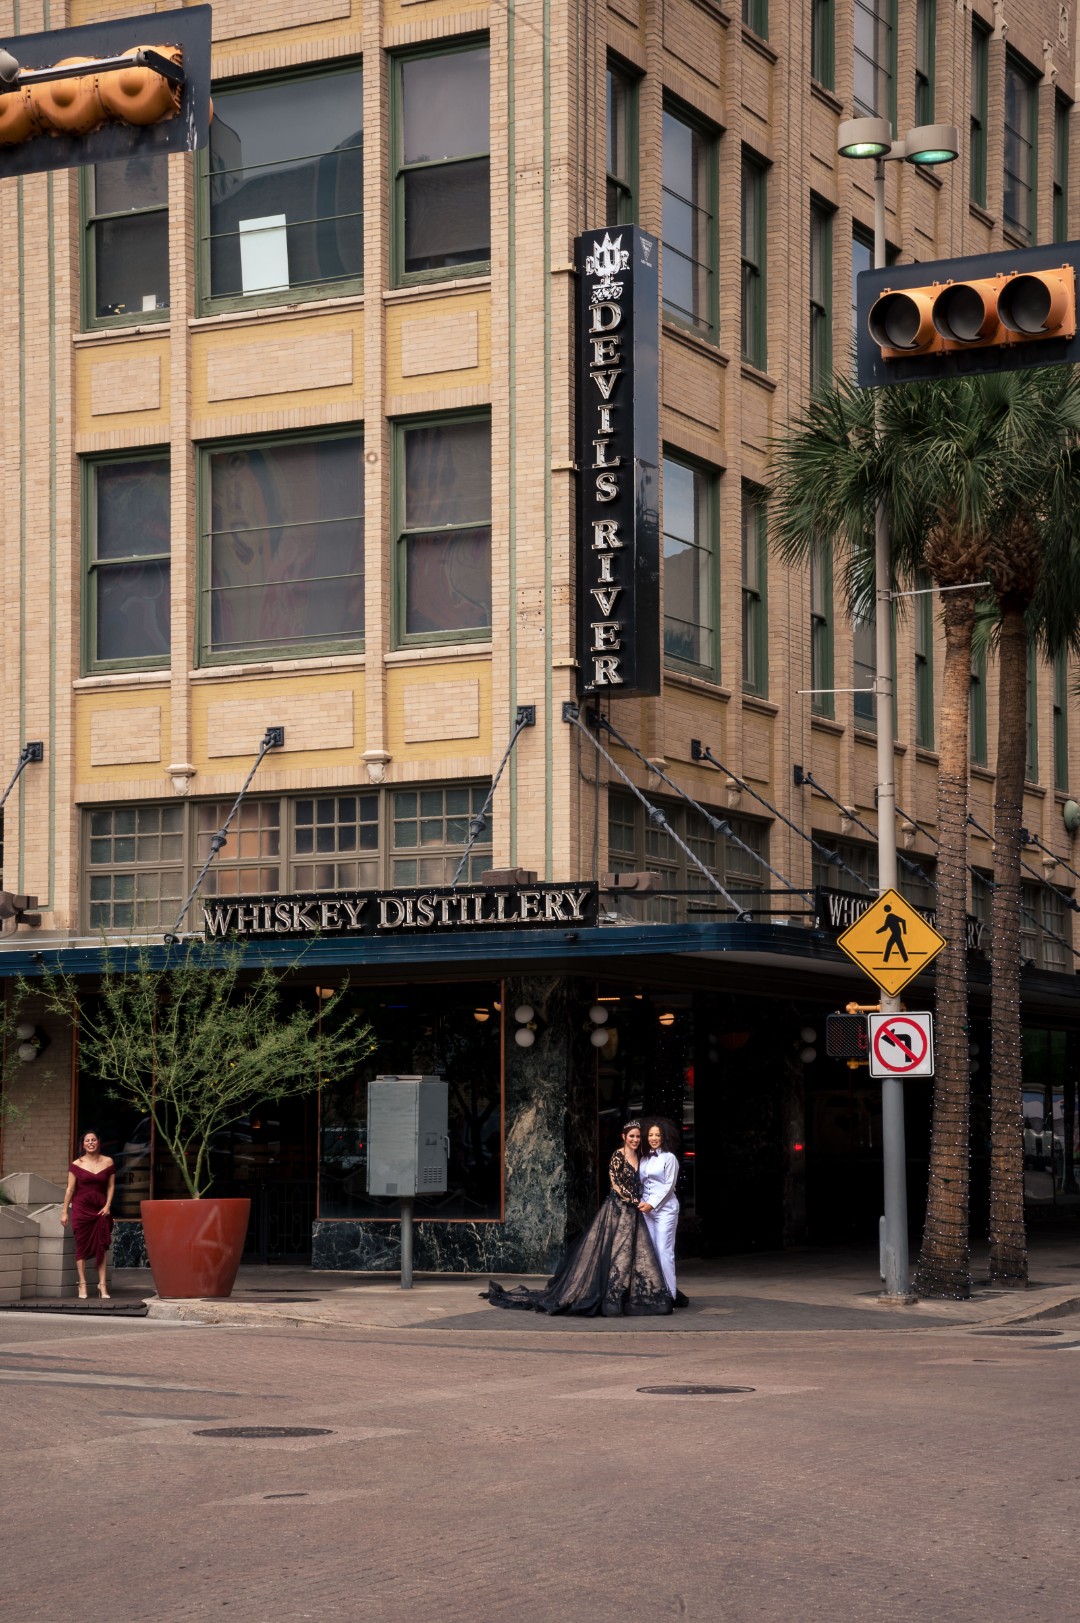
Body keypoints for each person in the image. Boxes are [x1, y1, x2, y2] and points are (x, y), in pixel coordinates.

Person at [483, 1121, 673, 1316]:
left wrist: (642, 1201)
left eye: (637, 1136)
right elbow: (615, 1184)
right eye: (631, 1136)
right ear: (623, 1137)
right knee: (617, 1252)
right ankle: (611, 1296)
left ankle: (625, 1296)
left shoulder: (640, 1157)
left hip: (634, 1213)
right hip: (617, 1211)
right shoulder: (618, 1155)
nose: (634, 1140)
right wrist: (634, 1199)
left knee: (633, 1254)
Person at [60, 1131, 115, 1300]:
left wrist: (108, 1205)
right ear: (82, 1144)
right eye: (87, 1140)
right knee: (81, 1246)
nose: (90, 1143)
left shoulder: (108, 1161)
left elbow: (111, 1187)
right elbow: (70, 1189)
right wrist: (64, 1211)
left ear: (98, 1142)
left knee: (101, 1245)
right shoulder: (76, 1164)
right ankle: (82, 1284)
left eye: (93, 1140)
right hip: (81, 1209)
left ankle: (102, 1285)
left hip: (100, 1209)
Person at [638, 1118, 683, 1304]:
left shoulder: (669, 1158)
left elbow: (668, 1186)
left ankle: (670, 1296)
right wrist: (641, 1202)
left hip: (665, 1210)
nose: (654, 1138)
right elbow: (642, 1184)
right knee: (651, 1251)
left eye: (657, 1135)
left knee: (664, 1251)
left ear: (663, 1137)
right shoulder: (644, 1158)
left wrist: (652, 1204)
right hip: (647, 1210)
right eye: (650, 1135)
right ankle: (654, 1291)